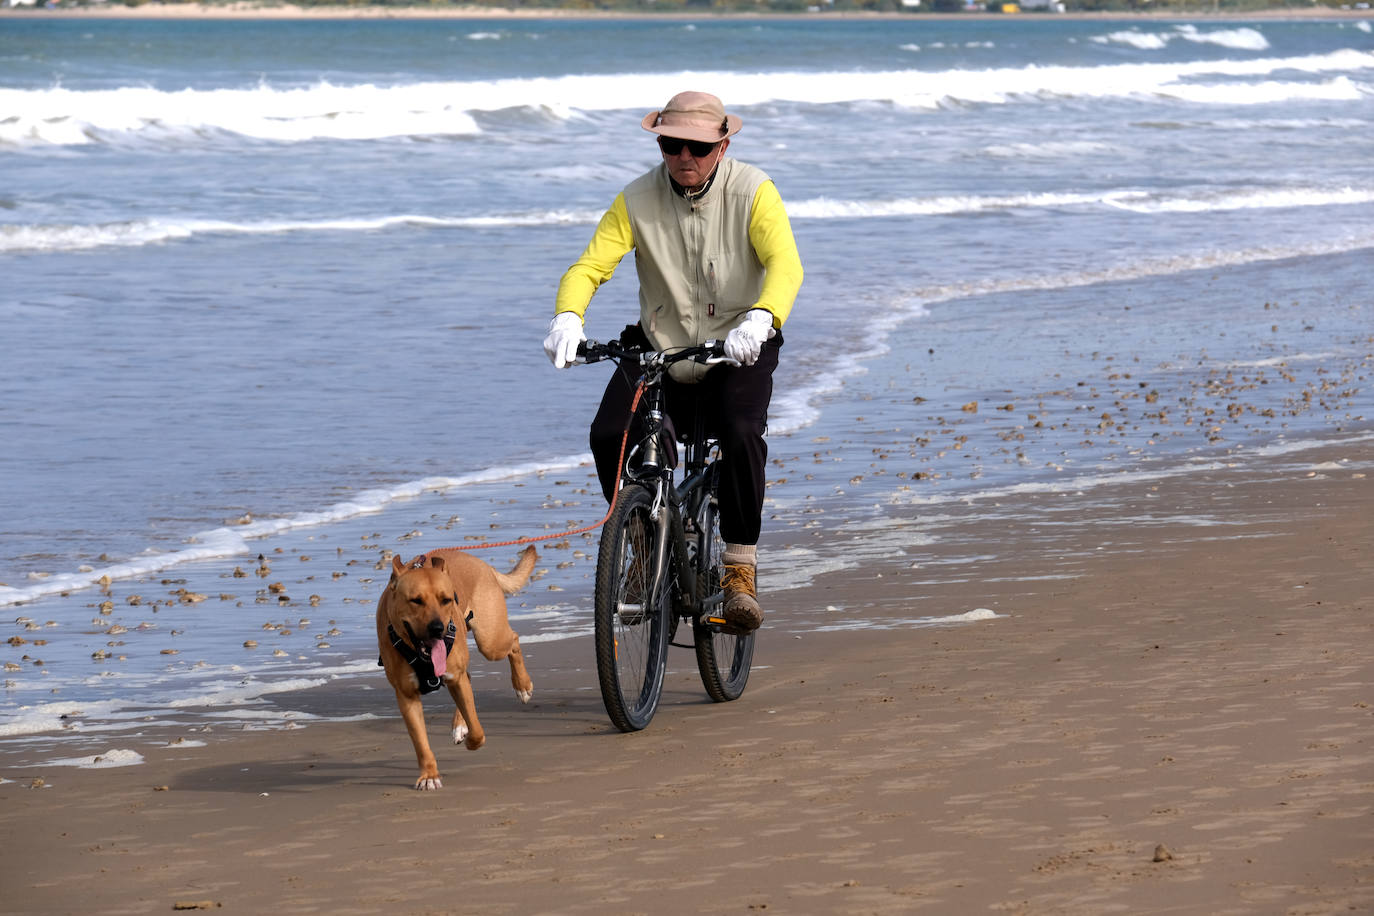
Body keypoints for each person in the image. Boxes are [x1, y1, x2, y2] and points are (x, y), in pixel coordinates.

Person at [543, 90, 803, 632]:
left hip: (739, 345)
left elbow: (784, 264)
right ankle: (641, 539)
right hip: (661, 342)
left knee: (739, 430)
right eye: (670, 144)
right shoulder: (635, 200)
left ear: (723, 145)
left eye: (697, 147)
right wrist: (567, 317)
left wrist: (761, 318)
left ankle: (738, 570)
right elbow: (590, 266)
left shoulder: (754, 191)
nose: (684, 156)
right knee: (608, 433)